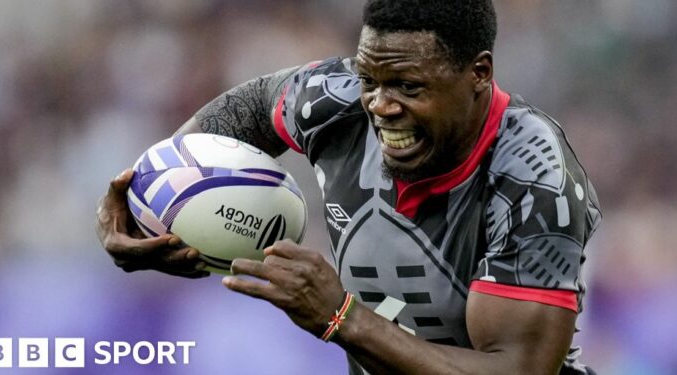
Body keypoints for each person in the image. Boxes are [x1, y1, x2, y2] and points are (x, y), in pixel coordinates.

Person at [96, 0, 602, 373]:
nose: (380, 105)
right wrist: (148, 201)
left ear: (479, 74)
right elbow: (250, 109)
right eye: (369, 79)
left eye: (409, 86)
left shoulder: (533, 174)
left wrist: (342, 317)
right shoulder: (335, 101)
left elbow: (518, 369)